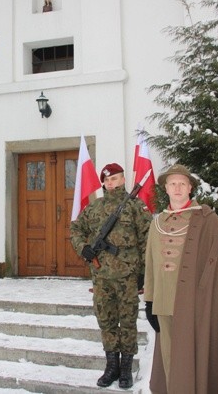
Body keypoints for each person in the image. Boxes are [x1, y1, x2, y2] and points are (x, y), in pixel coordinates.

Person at [144, 164, 218, 394]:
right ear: (166, 189)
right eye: (172, 184)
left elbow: (215, 268)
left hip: (194, 305)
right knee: (170, 359)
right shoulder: (156, 223)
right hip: (163, 303)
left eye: (182, 184)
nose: (177, 188)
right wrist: (149, 301)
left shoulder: (208, 220)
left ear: (190, 188)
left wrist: (205, 302)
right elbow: (150, 265)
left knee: (192, 359)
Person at [71, 163, 151, 389]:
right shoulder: (94, 208)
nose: (110, 183)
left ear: (123, 179)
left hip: (128, 276)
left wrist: (144, 273)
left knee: (127, 321)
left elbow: (147, 240)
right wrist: (83, 248)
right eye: (106, 180)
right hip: (102, 277)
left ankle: (126, 368)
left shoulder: (136, 207)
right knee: (105, 320)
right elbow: (75, 229)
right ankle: (111, 366)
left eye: (114, 179)